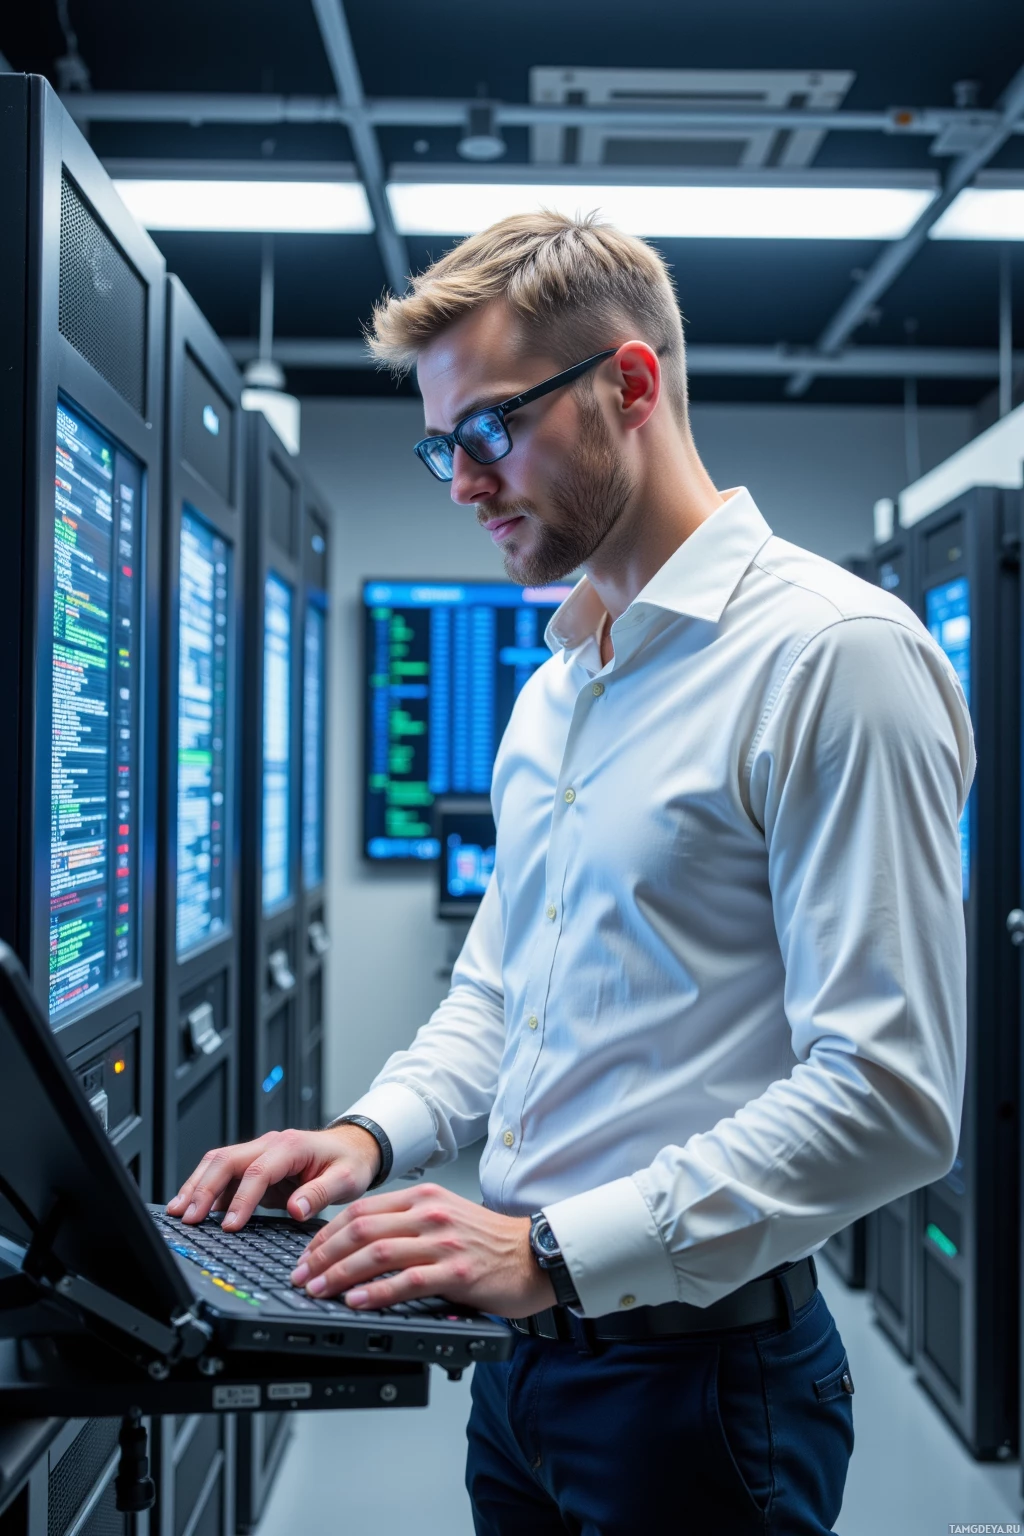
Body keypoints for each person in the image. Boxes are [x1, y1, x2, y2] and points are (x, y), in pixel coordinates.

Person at [170, 212, 974, 1534]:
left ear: (631, 384)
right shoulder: (559, 688)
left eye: (488, 430)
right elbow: (500, 994)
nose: (462, 481)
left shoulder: (834, 660)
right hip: (525, 1369)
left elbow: (889, 1096)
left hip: (703, 1387)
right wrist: (370, 1137)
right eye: (441, 446)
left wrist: (546, 1251)